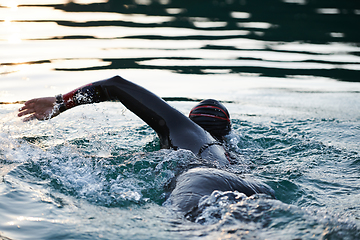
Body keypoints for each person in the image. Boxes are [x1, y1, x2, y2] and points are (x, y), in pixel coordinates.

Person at [18, 75, 275, 216]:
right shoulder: (233, 158)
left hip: (198, 182)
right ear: (227, 135)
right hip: (251, 188)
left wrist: (61, 103)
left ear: (189, 120)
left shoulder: (184, 130)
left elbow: (116, 84)